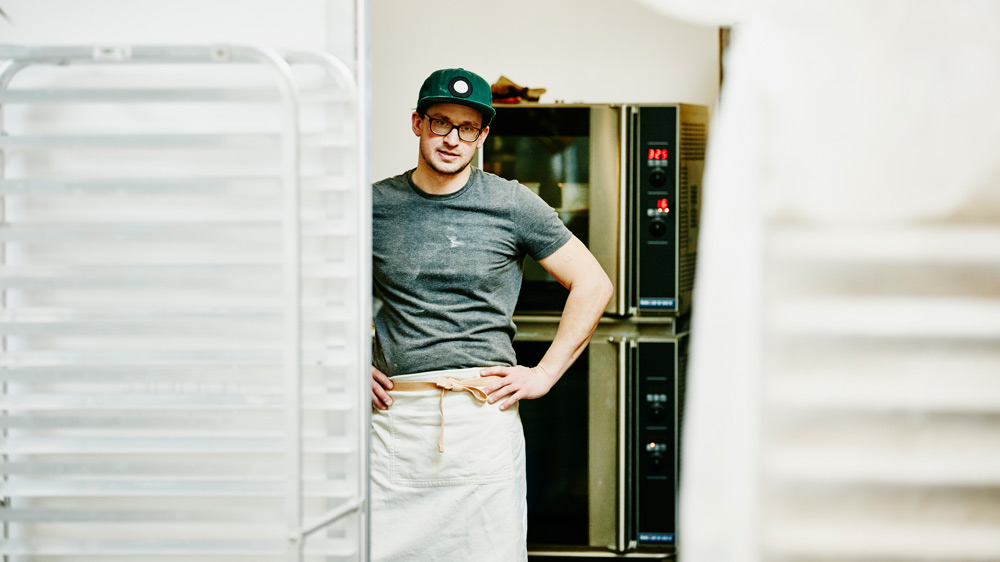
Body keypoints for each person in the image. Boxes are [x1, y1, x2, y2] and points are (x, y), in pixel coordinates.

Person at [369, 67, 613, 562]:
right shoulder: (372, 206)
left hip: (481, 420)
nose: (453, 139)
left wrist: (545, 373)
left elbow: (593, 284)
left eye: (468, 128)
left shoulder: (512, 203)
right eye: (441, 123)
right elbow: (311, 288)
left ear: (483, 135)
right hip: (395, 423)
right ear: (417, 123)